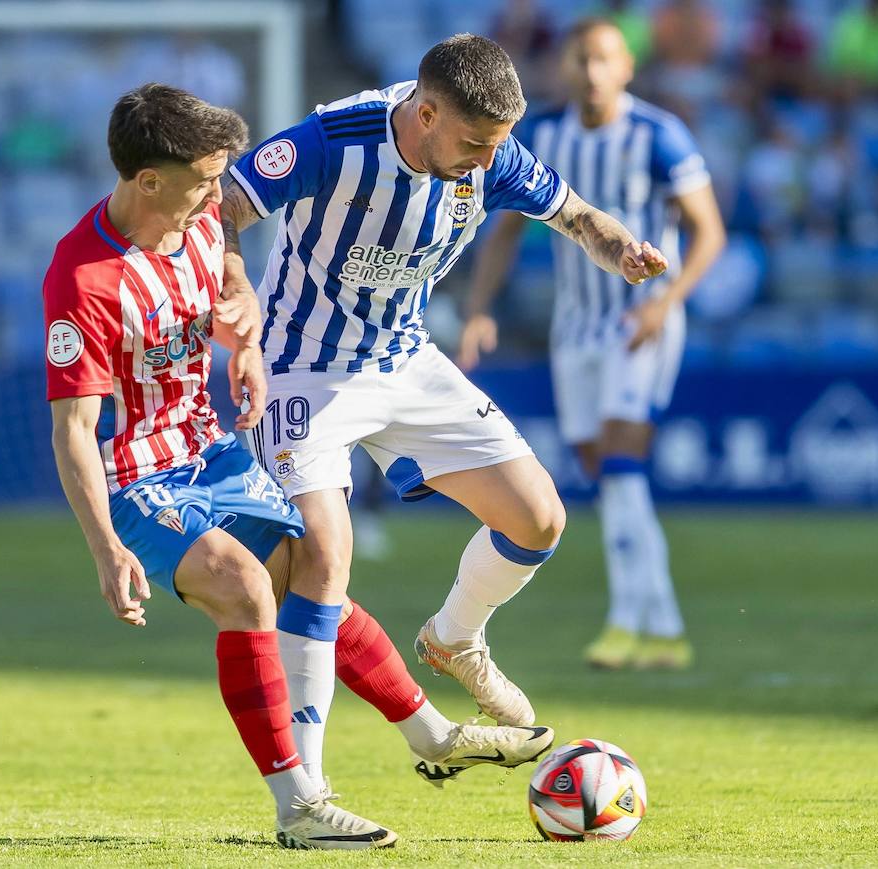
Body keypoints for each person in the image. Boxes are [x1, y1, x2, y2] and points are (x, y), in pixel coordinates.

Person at [217, 35, 670, 768]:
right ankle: (304, 792)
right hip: (303, 369)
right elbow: (222, 209)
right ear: (425, 114)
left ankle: (454, 637)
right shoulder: (335, 138)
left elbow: (581, 216)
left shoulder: (494, 155)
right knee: (325, 559)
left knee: (538, 517)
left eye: (499, 146)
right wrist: (237, 287)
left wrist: (619, 249)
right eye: (475, 143)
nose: (489, 162)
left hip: (404, 358)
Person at [44, 83, 395, 849]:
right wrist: (107, 548)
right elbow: (75, 429)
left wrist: (252, 351)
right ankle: (299, 803)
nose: (219, 194)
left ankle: (428, 732)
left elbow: (231, 301)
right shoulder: (84, 278)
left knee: (311, 567)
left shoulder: (202, 223)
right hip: (138, 477)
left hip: (211, 450)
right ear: (149, 181)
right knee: (242, 586)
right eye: (206, 178)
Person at [460, 18, 725, 670]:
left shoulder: (658, 133)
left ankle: (639, 618)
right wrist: (478, 308)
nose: (592, 70)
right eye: (581, 58)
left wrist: (666, 300)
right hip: (574, 327)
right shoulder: (543, 136)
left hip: (640, 320)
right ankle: (656, 628)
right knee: (602, 470)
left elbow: (708, 231)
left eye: (605, 58)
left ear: (627, 67)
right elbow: (506, 233)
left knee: (622, 460)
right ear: (564, 68)